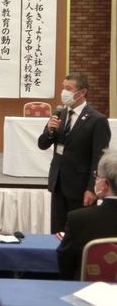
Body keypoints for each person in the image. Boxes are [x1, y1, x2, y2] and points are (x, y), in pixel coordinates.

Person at [38, 72, 111, 233]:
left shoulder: (97, 120)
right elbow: (42, 144)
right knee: (57, 231)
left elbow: (99, 158)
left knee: (78, 233)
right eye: (63, 88)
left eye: (68, 89)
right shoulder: (60, 113)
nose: (64, 92)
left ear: (82, 92)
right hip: (58, 183)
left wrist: (92, 188)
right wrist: (50, 131)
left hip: (80, 187)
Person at [57, 148, 117, 280]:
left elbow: (65, 263)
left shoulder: (78, 220)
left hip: (88, 289)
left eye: (96, 176)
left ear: (104, 185)